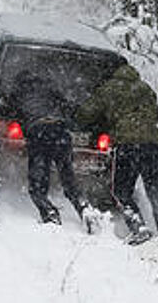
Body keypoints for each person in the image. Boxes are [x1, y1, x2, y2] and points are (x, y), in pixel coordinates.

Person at [75, 64, 158, 245]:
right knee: (155, 188)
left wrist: (79, 119)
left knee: (121, 190)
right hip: (156, 143)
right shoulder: (145, 88)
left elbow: (87, 113)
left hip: (128, 145)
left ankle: (139, 228)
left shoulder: (110, 88)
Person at [8, 69, 99, 233]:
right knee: (67, 176)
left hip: (38, 134)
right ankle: (84, 208)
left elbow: (9, 113)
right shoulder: (50, 89)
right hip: (60, 133)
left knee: (38, 183)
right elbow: (68, 107)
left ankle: (50, 213)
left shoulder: (18, 92)